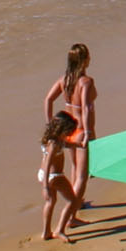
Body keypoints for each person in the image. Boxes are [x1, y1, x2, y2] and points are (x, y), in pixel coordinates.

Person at [42, 44, 97, 205]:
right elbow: (86, 107)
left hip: (68, 130)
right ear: (84, 60)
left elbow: (48, 100)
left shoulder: (64, 80)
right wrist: (87, 132)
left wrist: (50, 124)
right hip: (81, 129)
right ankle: (73, 212)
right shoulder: (86, 82)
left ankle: (76, 204)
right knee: (82, 175)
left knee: (74, 167)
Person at [37, 112, 84, 242]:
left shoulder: (51, 139)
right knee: (72, 201)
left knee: (50, 201)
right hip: (54, 176)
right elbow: (48, 164)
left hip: (43, 174)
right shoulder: (54, 144)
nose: (69, 134)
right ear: (62, 129)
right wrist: (45, 187)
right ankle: (59, 230)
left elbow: (66, 145)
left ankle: (46, 232)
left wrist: (77, 145)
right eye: (68, 131)